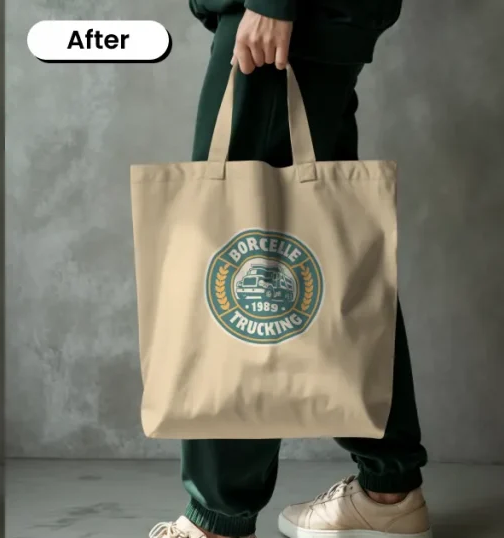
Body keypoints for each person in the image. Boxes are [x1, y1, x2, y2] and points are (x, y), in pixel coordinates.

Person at [149, 2, 431, 538]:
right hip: (318, 16)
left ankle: (218, 519)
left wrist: (271, 2)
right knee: (335, 260)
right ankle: (389, 489)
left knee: (236, 252)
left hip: (285, 15)